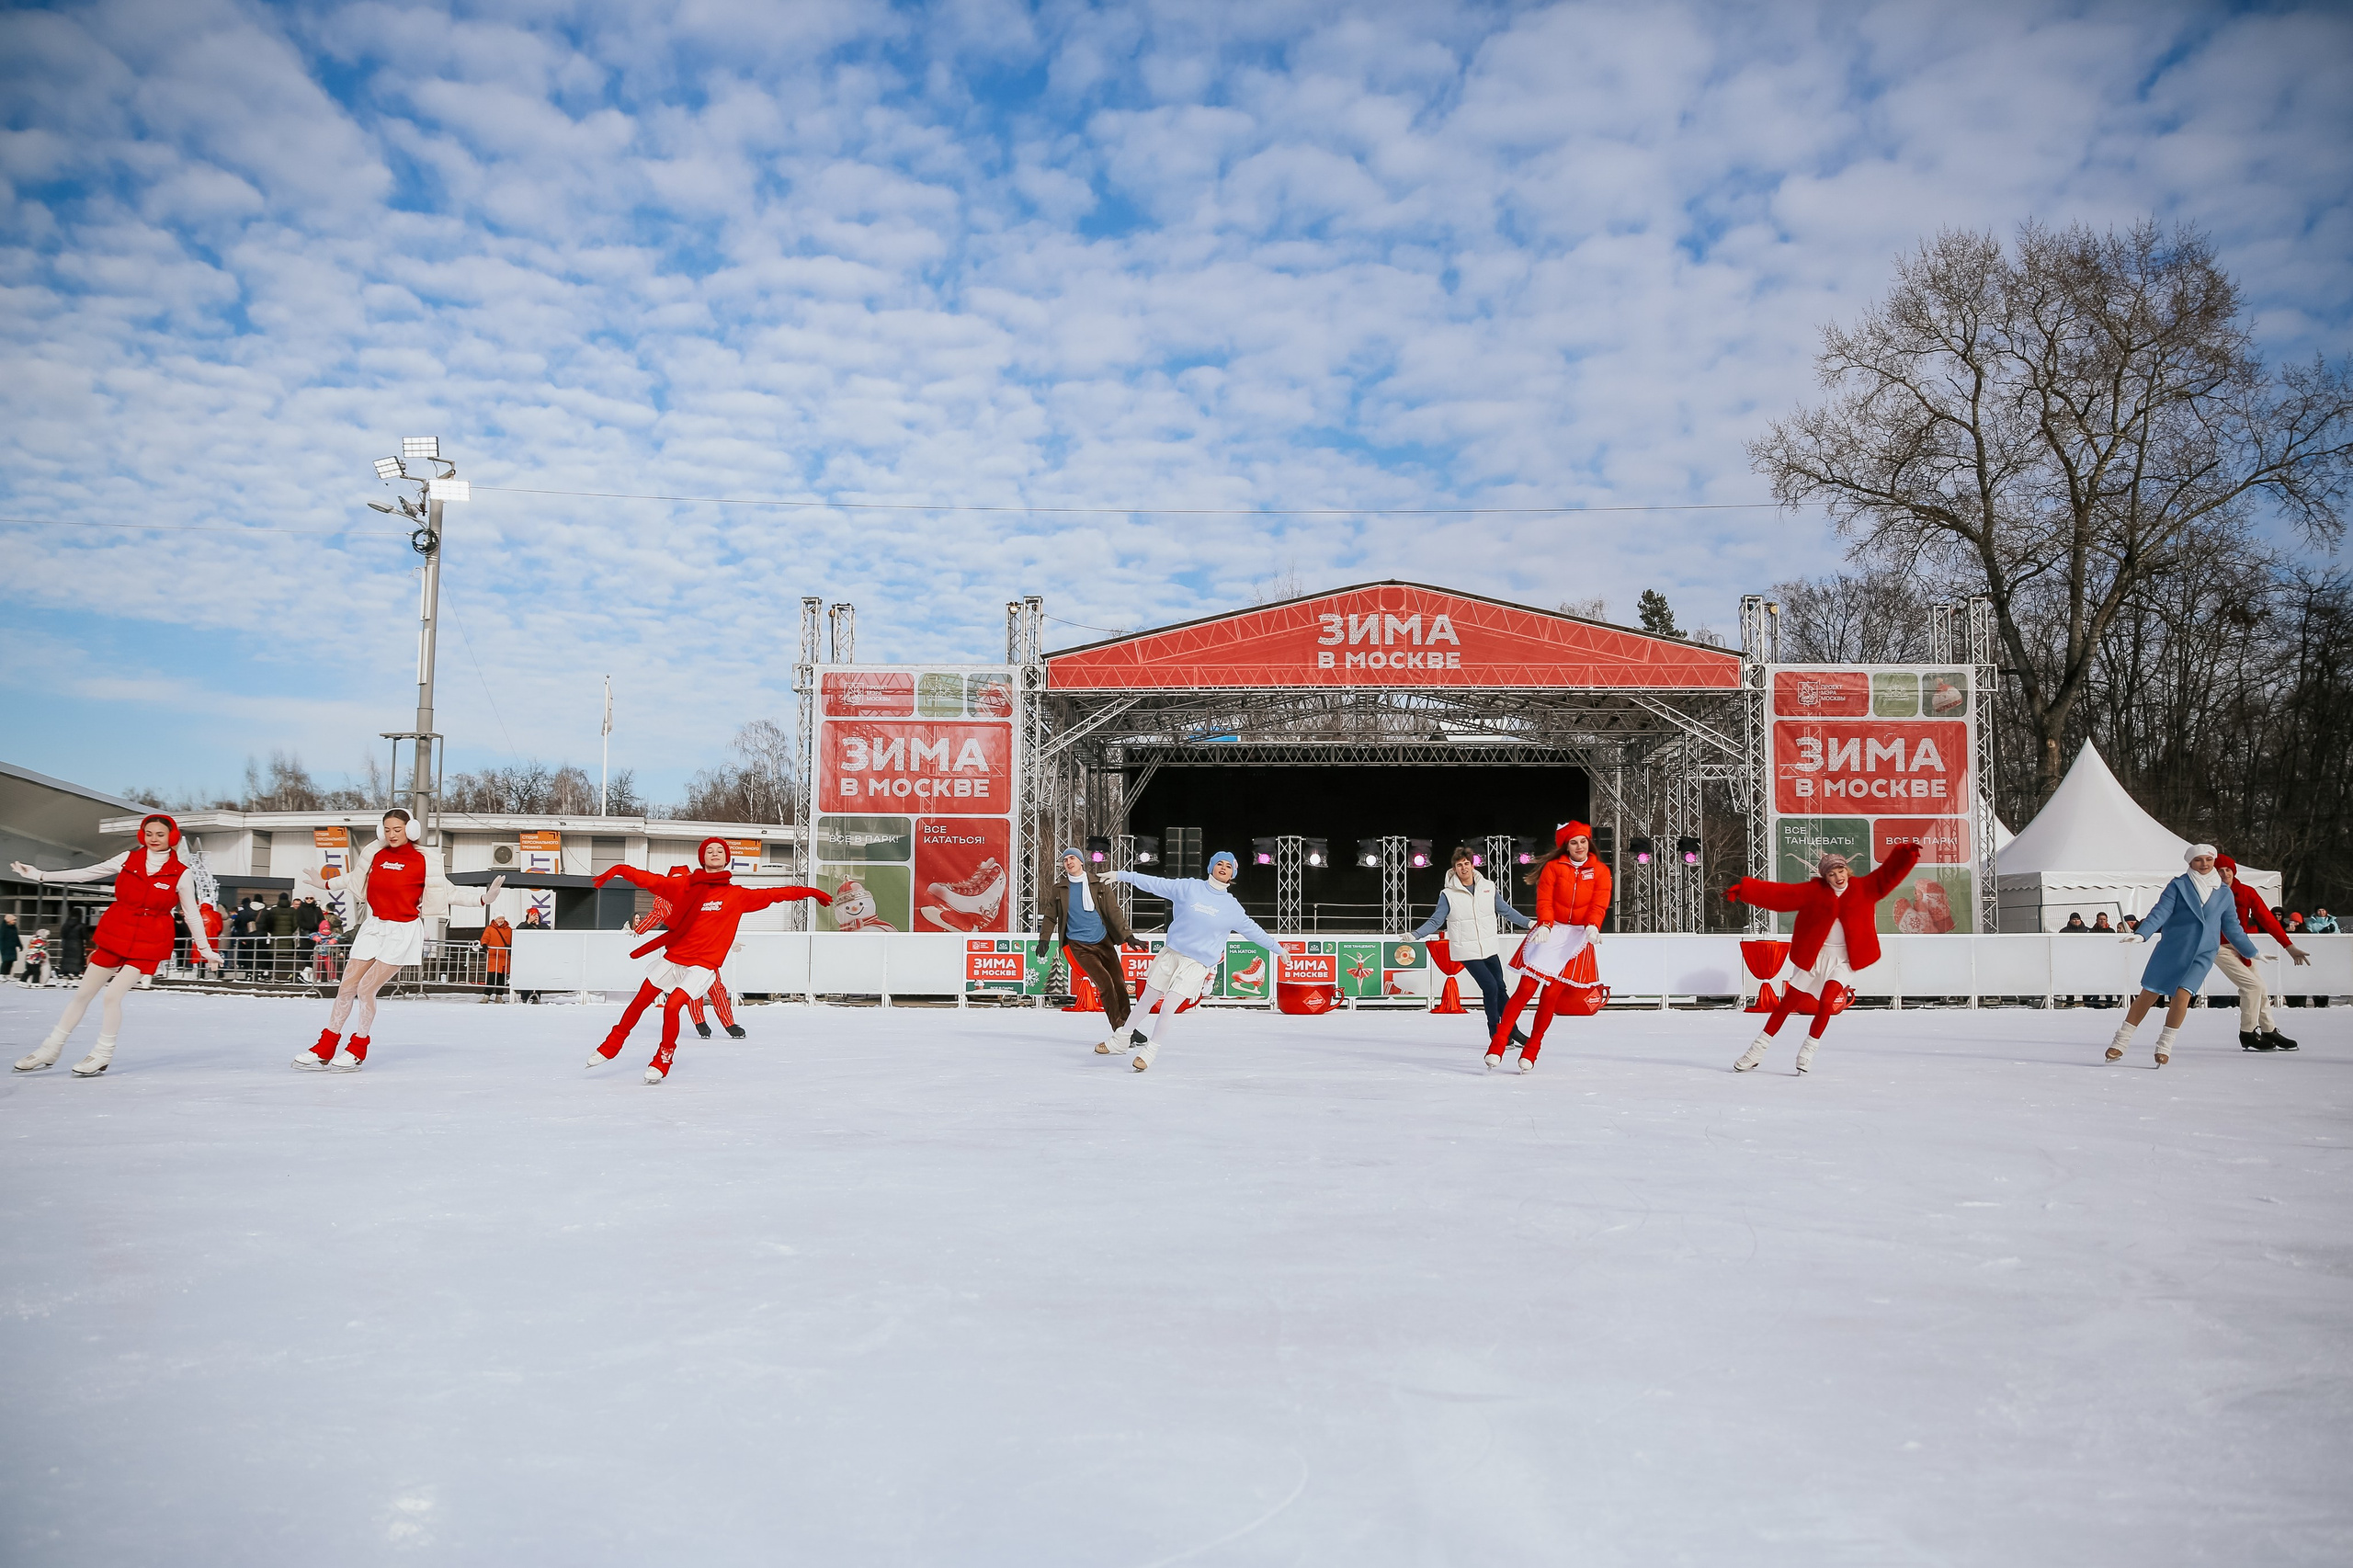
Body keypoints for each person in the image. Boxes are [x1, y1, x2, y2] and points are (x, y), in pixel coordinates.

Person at [587, 838, 830, 1083]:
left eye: (720, 851)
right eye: (709, 851)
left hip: (703, 963)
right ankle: (612, 1044)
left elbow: (776, 894)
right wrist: (621, 869)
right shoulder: (683, 886)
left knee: (673, 1006)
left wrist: (810, 892)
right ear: (702, 858)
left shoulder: (737, 895)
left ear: (727, 859)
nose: (715, 854)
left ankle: (664, 1056)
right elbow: (652, 880)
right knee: (640, 1000)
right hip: (676, 956)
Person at [287, 809, 505, 1072]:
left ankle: (357, 1049)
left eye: (397, 830)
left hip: (402, 932)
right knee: (346, 986)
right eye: (387, 829)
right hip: (374, 927)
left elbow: (449, 893)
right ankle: (324, 1048)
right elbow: (354, 878)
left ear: (411, 830)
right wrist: (325, 884)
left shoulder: (425, 861)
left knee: (366, 989)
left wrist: (483, 899)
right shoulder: (375, 854)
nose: (392, 835)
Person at [10, 813, 221, 1076]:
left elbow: (191, 913)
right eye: (149, 833)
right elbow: (88, 873)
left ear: (172, 838)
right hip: (116, 931)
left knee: (112, 996)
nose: (153, 838)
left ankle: (101, 1054)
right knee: (83, 993)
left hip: (149, 939)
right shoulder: (127, 859)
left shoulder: (181, 873)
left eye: (160, 834)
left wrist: (205, 949)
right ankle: (50, 1048)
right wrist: (41, 875)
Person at [1725, 843, 1924, 1074]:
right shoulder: (1814, 892)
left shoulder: (1865, 888)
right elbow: (1781, 895)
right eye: (1831, 873)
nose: (1838, 876)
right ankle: (1755, 1052)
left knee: (1827, 1002)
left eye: (1840, 871)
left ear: (1847, 871)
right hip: (1816, 956)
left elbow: (1888, 875)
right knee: (1786, 1005)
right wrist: (1745, 891)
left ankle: (1807, 1052)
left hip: (1844, 960)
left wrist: (1905, 855)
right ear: (1825, 877)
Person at [1108, 851, 1280, 1072]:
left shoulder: (1232, 907)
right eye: (1219, 863)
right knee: (1146, 1000)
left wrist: (1277, 948)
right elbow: (1155, 883)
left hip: (1196, 964)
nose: (1223, 868)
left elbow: (1254, 931)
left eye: (1229, 866)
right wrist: (1122, 875)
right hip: (1172, 954)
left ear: (1232, 874)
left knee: (1169, 1006)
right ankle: (1121, 1038)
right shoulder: (1189, 888)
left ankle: (1150, 1050)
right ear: (1211, 867)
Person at [2107, 845, 2258, 1066]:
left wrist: (2251, 951)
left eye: (2208, 859)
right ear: (2189, 862)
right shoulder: (2178, 886)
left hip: (2203, 953)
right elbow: (2160, 912)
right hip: (2173, 949)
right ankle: (2121, 1041)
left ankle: (2165, 1045)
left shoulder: (2224, 892)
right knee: (2149, 994)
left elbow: (2232, 926)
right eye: (2198, 860)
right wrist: (2142, 934)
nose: (2204, 864)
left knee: (2183, 997)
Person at [1486, 822, 1612, 1073]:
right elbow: (1544, 899)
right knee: (1525, 989)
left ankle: (1531, 1051)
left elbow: (1599, 903)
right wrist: (1544, 924)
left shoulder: (1599, 871)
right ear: (1566, 845)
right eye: (1573, 842)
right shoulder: (1554, 868)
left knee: (1551, 996)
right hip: (1551, 931)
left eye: (1583, 841)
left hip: (1577, 937)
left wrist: (1593, 926)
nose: (1579, 846)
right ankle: (1498, 1045)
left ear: (1589, 843)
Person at [1413, 847, 1533, 1042]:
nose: (1463, 868)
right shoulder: (1448, 894)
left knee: (1501, 988)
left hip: (1489, 947)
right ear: (1454, 869)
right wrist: (1416, 934)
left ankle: (1512, 1029)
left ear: (1472, 865)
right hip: (1466, 951)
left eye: (1466, 863)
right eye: (1459, 865)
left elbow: (1506, 911)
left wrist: (1529, 923)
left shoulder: (1488, 887)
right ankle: (1494, 1031)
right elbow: (1436, 920)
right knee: (1491, 987)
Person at [1038, 847, 1138, 1054]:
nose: (1069, 862)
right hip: (1079, 945)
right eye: (1065, 860)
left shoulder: (1098, 884)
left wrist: (1128, 935)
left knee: (1119, 983)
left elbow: (1114, 911)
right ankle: (1119, 1029)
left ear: (1081, 861)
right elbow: (1050, 917)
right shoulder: (1060, 889)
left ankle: (1129, 1028)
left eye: (1072, 858)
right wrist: (1044, 940)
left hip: (1103, 942)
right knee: (1106, 984)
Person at [2212, 853, 2311, 1050]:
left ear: (2234, 871)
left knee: (2261, 989)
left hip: (2241, 946)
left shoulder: (2247, 892)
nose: (2224, 874)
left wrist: (2289, 946)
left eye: (2228, 870)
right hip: (2217, 947)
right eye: (2220, 870)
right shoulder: (2209, 892)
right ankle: (2247, 1033)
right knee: (2252, 987)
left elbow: (2267, 919)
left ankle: (2269, 1030)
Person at [626, 888, 749, 1038]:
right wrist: (639, 929)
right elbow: (657, 914)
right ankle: (700, 1023)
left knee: (716, 987)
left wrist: (729, 941)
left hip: (704, 952)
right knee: (692, 988)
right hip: (681, 953)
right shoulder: (666, 899)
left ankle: (729, 1024)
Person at [481, 911, 512, 995]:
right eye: (499, 918)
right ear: (495, 919)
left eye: (502, 918)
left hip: (504, 958)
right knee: (491, 977)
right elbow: (485, 938)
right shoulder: (490, 929)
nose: (501, 920)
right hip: (494, 957)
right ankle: (487, 995)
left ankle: (499, 996)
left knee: (501, 978)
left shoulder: (509, 930)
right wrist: (484, 944)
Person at [1, 913, 19, 983]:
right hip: (5, 947)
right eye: (13, 920)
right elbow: (1, 938)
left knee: (11, 961)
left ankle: (8, 974)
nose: (14, 921)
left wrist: (19, 945)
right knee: (6, 961)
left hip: (12, 947)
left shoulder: (14, 928)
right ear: (8, 920)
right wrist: (2, 947)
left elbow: (16, 937)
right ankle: (2, 974)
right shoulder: (4, 928)